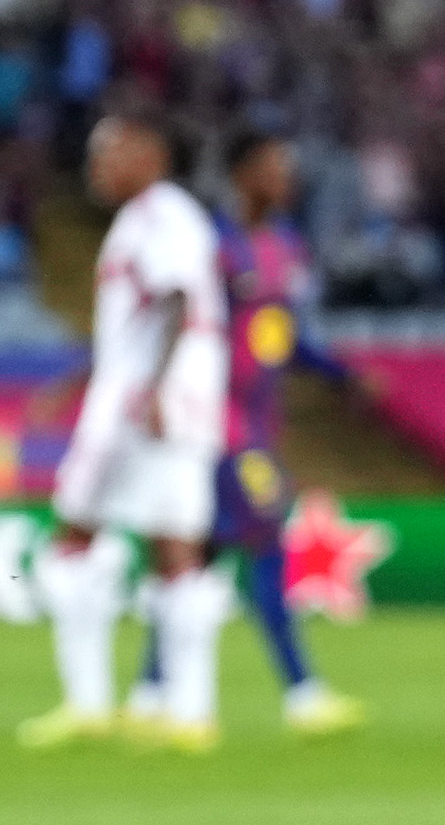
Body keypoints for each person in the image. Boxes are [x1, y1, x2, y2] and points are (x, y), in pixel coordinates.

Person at [128, 131, 370, 737]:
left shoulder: (284, 247)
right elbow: (181, 320)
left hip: (258, 422)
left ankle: (149, 694)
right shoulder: (213, 247)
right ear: (242, 176)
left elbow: (281, 337)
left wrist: (342, 375)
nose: (284, 179)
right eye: (271, 168)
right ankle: (303, 694)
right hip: (220, 425)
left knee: (200, 557)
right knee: (265, 544)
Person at [20, 115, 231, 752]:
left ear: (152, 153)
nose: (97, 168)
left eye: (108, 153)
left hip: (147, 408)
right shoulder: (150, 219)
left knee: (80, 536)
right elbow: (141, 327)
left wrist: (157, 390)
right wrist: (81, 378)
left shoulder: (163, 219)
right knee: (170, 549)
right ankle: (184, 713)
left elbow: (175, 303)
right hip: (154, 398)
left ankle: (102, 703)